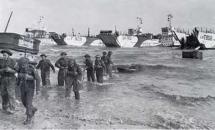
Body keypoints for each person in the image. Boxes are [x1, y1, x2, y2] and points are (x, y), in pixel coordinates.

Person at [17, 57, 40, 125]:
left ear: (27, 63)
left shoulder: (32, 68)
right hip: (22, 87)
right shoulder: (20, 68)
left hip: (30, 88)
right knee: (23, 102)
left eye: (23, 64)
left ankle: (29, 118)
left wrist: (38, 90)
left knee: (28, 103)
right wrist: (17, 83)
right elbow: (18, 77)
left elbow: (38, 79)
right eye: (21, 65)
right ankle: (32, 109)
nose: (22, 66)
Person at [0, 49, 17, 114]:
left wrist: (10, 70)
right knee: (3, 93)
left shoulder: (13, 61)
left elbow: (17, 71)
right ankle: (4, 107)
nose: (4, 56)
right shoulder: (1, 61)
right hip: (3, 79)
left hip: (11, 79)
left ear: (8, 55)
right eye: (3, 55)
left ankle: (12, 109)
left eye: (5, 55)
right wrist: (3, 70)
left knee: (11, 94)